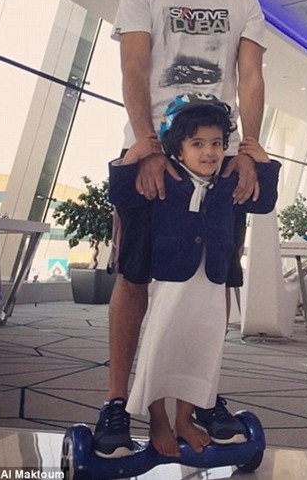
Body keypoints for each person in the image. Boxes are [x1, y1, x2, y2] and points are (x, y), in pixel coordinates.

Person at [94, 0, 266, 459]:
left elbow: (250, 77)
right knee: (135, 276)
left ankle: (201, 395)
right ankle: (118, 400)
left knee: (215, 280)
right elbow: (134, 68)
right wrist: (146, 145)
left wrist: (250, 147)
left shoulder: (244, 2)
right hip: (156, 153)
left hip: (217, 156)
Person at [107, 94, 279, 457]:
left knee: (199, 351)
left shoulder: (229, 182)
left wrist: (261, 160)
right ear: (178, 149)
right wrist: (134, 154)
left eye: (216, 143)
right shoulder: (165, 181)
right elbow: (120, 193)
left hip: (211, 284)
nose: (210, 152)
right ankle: (158, 420)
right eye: (197, 144)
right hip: (172, 282)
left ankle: (185, 419)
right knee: (160, 347)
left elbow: (263, 201)